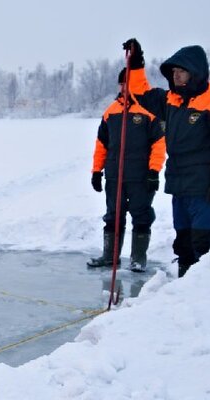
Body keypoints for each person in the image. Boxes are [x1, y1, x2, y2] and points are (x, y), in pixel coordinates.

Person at [122, 38, 210, 278]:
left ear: (196, 72)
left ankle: (206, 289)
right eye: (174, 72)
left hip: (206, 184)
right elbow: (139, 94)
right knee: (184, 241)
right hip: (179, 183)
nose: (176, 77)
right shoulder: (170, 100)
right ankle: (184, 289)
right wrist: (136, 63)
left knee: (204, 241)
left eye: (182, 72)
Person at [87, 68, 166, 272]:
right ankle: (109, 256)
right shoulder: (111, 112)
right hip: (115, 176)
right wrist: (96, 171)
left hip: (141, 177)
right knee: (113, 215)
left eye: (127, 83)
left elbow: (159, 144)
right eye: (121, 84)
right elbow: (101, 144)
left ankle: (138, 258)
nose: (123, 88)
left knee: (141, 215)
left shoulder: (147, 112)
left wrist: (153, 171)